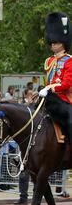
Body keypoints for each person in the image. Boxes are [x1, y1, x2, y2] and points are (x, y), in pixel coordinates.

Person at [39, 12, 72, 152]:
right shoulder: (50, 61)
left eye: (56, 42)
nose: (52, 45)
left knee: (70, 119)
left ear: (63, 43)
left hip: (64, 98)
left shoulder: (69, 60)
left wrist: (51, 89)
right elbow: (48, 79)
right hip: (49, 97)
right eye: (51, 42)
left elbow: (67, 83)